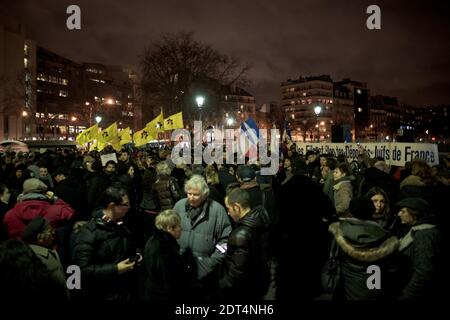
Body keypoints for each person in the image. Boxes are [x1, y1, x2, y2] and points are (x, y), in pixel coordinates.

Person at [72, 186, 142, 300]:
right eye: (125, 204)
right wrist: (115, 269)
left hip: (124, 289)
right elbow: (81, 269)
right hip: (103, 293)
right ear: (112, 206)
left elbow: (128, 246)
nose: (129, 207)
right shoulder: (89, 233)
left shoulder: (121, 224)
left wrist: (136, 255)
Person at [326, 197, 400, 300]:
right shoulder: (384, 236)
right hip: (375, 288)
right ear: (372, 211)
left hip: (348, 288)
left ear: (351, 211)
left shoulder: (339, 232)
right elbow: (392, 268)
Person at [173, 175, 231, 281]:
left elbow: (226, 240)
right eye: (189, 194)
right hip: (179, 267)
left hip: (206, 272)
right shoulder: (179, 206)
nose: (191, 197)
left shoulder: (217, 210)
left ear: (204, 195)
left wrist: (211, 262)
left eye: (196, 195)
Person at [218, 188, 271, 300]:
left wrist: (220, 287)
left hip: (244, 290)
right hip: (259, 281)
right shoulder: (259, 221)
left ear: (237, 207)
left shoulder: (241, 234)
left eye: (228, 208)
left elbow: (236, 272)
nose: (228, 213)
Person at [396, 197, 442, 300]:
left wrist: (406, 295)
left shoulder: (424, 235)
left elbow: (423, 272)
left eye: (403, 211)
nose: (399, 214)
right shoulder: (417, 231)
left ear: (414, 214)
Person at [142, 209, 193, 300]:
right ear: (170, 228)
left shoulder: (153, 240)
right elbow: (169, 279)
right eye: (178, 226)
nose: (181, 228)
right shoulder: (165, 248)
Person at [22, 216, 69, 298]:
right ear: (40, 237)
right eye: (50, 232)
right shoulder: (40, 259)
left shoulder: (32, 254)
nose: (53, 234)